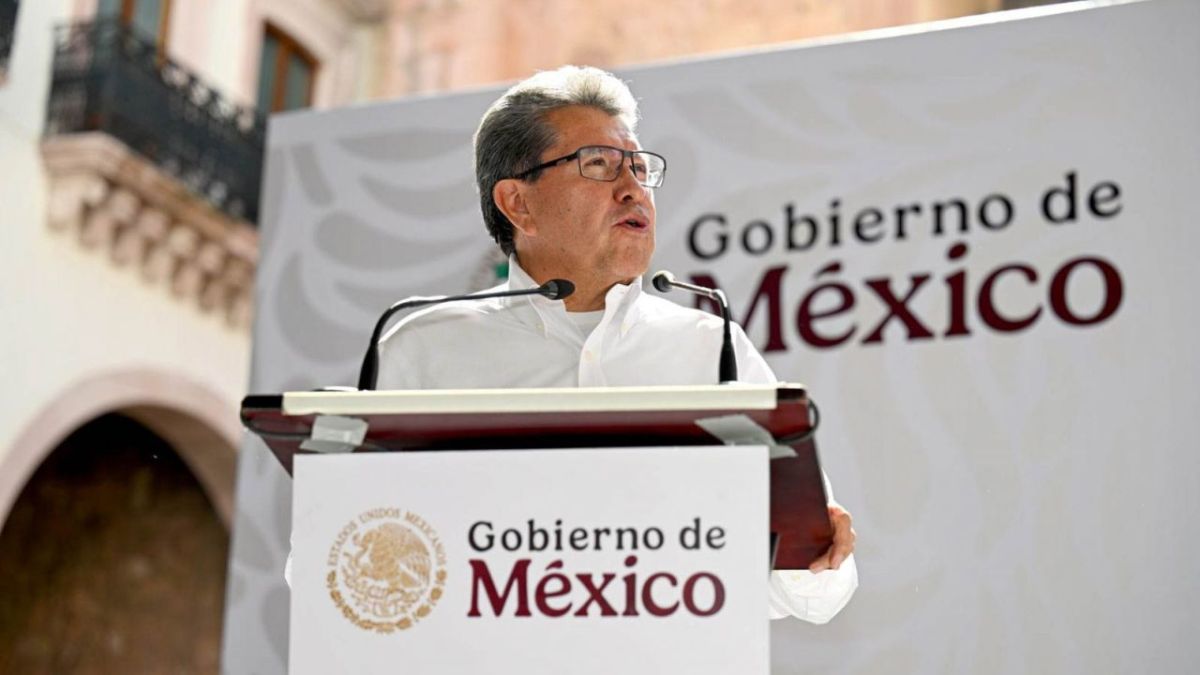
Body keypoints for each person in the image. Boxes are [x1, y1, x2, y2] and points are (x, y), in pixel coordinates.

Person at [378, 65, 857, 623]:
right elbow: (343, 555)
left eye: (639, 168)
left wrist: (816, 554)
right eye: (599, 165)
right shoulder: (427, 348)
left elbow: (816, 595)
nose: (633, 189)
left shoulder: (710, 348)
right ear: (517, 203)